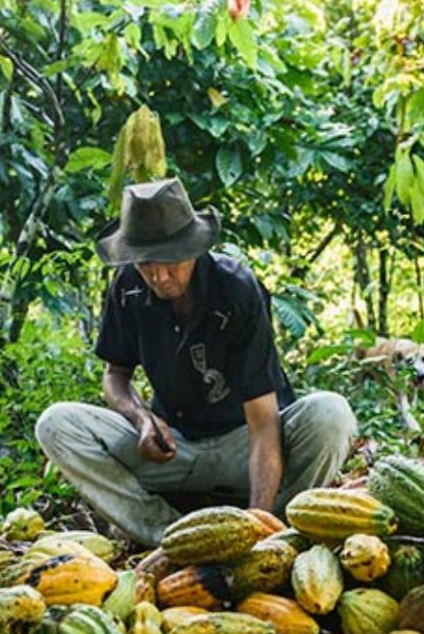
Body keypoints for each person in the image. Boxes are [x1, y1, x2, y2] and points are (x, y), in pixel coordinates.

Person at [36, 177, 356, 546]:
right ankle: (167, 536)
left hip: (244, 445)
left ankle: (278, 533)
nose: (157, 274)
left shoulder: (235, 289)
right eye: (144, 262)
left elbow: (264, 425)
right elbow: (115, 375)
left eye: (168, 261)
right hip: (175, 450)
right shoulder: (127, 286)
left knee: (331, 412)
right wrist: (141, 418)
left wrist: (254, 528)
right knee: (56, 423)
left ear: (192, 248)